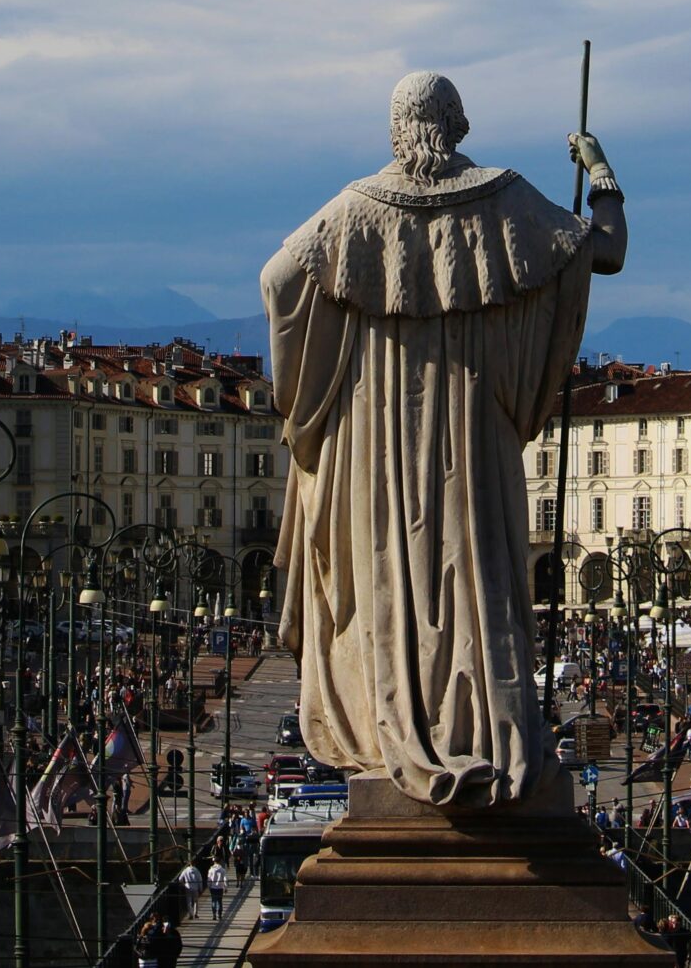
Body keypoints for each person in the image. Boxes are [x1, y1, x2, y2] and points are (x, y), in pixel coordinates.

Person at [265, 74, 625, 809]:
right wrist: (599, 170)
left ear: (398, 129)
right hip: (474, 443)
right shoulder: (508, 199)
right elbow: (605, 250)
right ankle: (490, 730)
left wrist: (314, 391)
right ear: (457, 124)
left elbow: (278, 280)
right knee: (480, 575)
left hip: (379, 446)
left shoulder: (356, 209)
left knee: (390, 587)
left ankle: (402, 727)